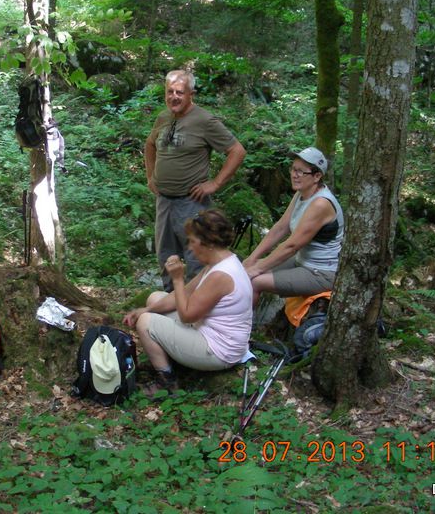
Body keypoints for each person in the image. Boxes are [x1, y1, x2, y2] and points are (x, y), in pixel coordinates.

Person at [123, 209, 253, 395]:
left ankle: (167, 382)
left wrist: (177, 278)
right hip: (208, 330)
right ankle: (169, 354)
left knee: (145, 322)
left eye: (192, 241)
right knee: (155, 298)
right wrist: (146, 308)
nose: (190, 248)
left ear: (207, 242)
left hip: (219, 351)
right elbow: (186, 293)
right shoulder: (220, 262)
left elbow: (186, 316)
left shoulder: (221, 275)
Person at [145, 70, 246, 291]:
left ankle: (196, 307)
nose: (174, 97)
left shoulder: (204, 120)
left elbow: (237, 151)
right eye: (169, 92)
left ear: (191, 93)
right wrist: (150, 176)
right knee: (165, 255)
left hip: (191, 202)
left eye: (180, 92)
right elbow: (150, 145)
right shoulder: (163, 118)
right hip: (164, 201)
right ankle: (172, 304)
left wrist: (215, 183)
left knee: (195, 256)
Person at [242, 147, 344, 308]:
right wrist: (253, 258)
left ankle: (238, 330)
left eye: (301, 172)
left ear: (317, 176)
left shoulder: (321, 204)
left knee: (254, 281)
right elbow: (280, 228)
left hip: (321, 272)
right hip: (301, 262)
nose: (294, 174)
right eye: (293, 169)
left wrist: (257, 269)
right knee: (247, 269)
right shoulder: (301, 194)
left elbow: (292, 246)